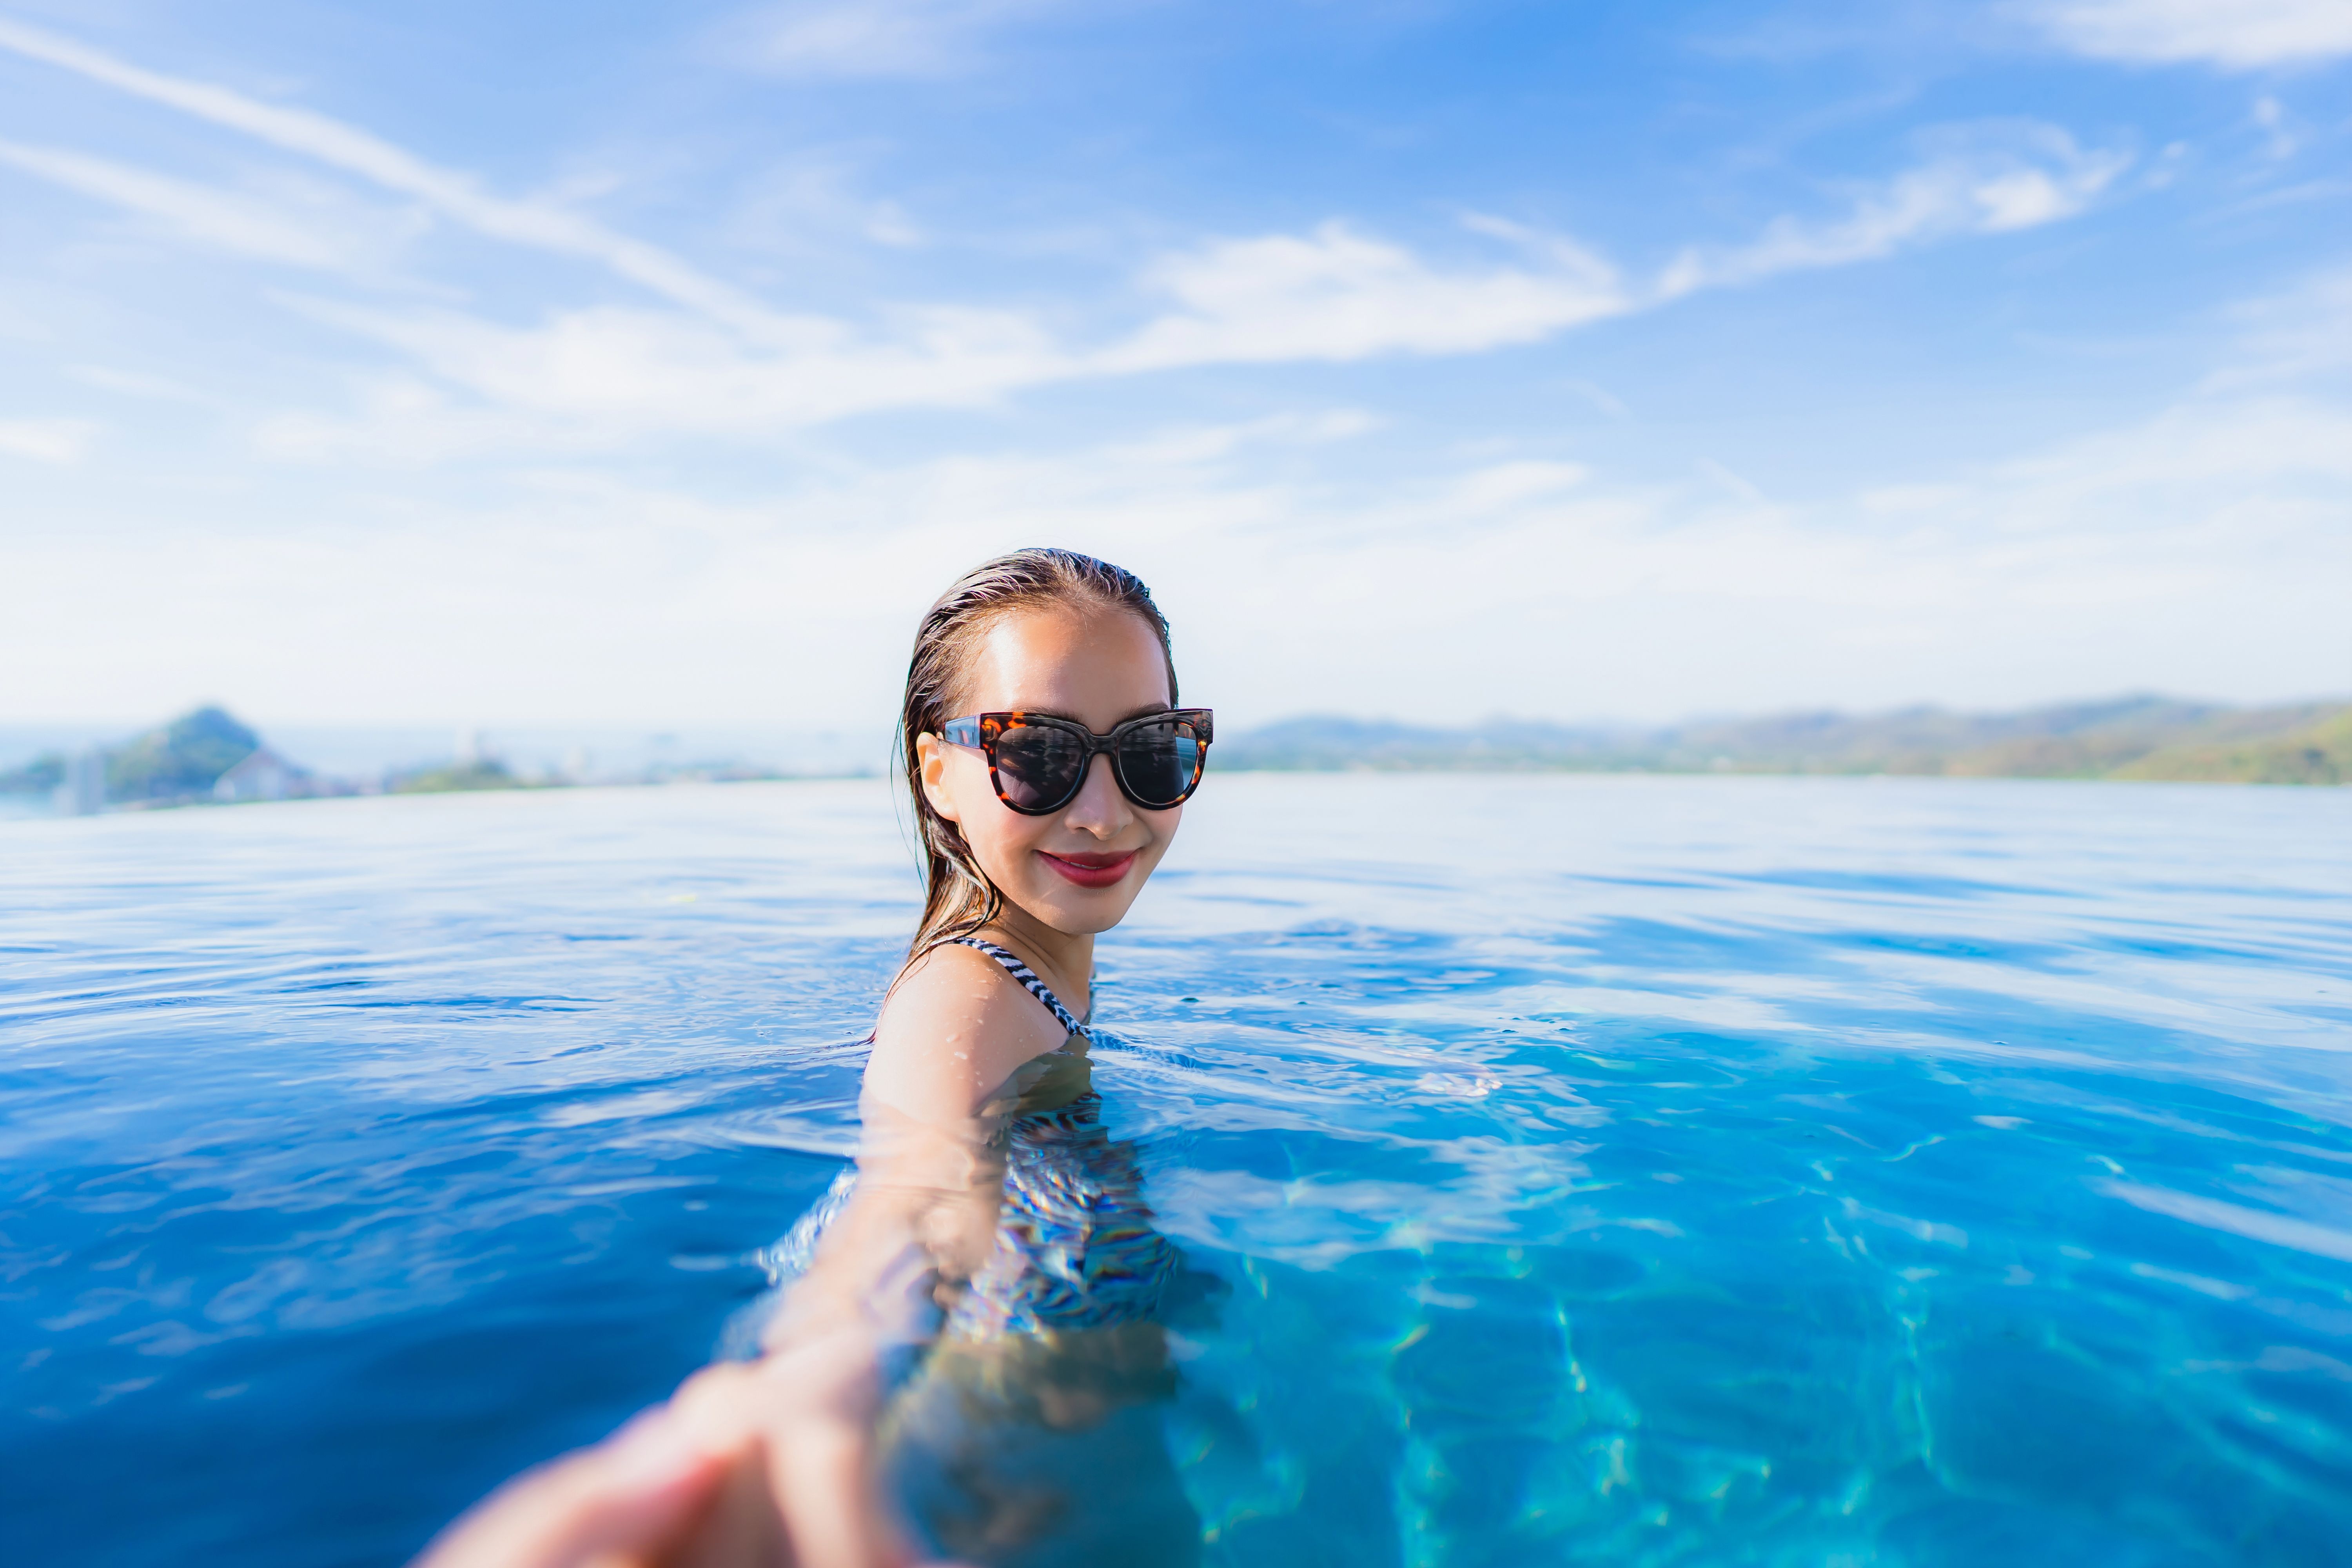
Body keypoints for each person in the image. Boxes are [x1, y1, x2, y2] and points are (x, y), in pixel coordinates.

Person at [417, 550, 1212, 1568]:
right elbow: (919, 1190)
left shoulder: (1025, 979)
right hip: (968, 1434)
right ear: (939, 776)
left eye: (1148, 750)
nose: (1103, 810)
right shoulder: (969, 994)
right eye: (1039, 756)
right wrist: (805, 1393)